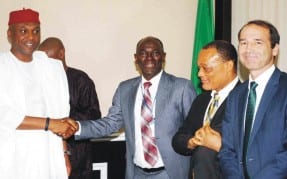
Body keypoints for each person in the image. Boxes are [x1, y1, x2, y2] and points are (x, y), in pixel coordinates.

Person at [67, 36, 197, 179]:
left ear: (163, 56)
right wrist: (77, 127)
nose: (149, 58)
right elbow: (110, 124)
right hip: (136, 173)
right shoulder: (125, 89)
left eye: (155, 53)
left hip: (171, 173)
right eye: (143, 53)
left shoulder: (182, 88)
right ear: (136, 58)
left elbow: (194, 131)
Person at [0, 8, 78, 179]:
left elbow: (60, 115)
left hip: (48, 154)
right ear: (9, 34)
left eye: (36, 31)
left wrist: (65, 155)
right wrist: (50, 124)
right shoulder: (2, 66)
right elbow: (5, 115)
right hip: (13, 156)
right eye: (23, 31)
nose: (31, 37)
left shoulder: (51, 67)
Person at [219, 20, 287, 178]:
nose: (249, 49)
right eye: (243, 43)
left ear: (275, 48)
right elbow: (227, 150)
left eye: (257, 42)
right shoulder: (236, 95)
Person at [172, 40, 239, 179]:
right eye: (199, 68)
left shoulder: (245, 99)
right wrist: (191, 142)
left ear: (228, 66)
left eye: (206, 68)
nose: (200, 74)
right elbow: (179, 138)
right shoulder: (201, 100)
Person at [38, 37, 102, 179]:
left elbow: (94, 116)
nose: (44, 64)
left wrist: (66, 121)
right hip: (47, 155)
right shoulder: (40, 82)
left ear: (61, 54)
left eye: (48, 59)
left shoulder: (80, 80)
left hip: (78, 157)